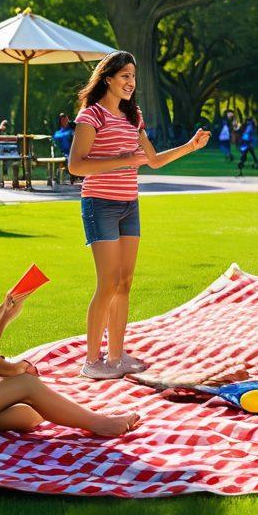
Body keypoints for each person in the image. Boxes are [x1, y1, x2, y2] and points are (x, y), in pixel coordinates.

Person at [0, 226, 139, 439]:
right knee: (28, 386)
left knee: (31, 414)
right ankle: (100, 424)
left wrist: (5, 313)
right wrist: (22, 369)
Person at [68, 50, 210, 380]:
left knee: (124, 282)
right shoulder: (92, 116)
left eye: (133, 77)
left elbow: (152, 160)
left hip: (129, 204)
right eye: (125, 76)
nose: (131, 83)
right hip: (99, 203)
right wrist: (123, 161)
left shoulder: (134, 116)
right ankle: (92, 361)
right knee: (107, 283)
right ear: (107, 79)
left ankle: (116, 356)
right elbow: (76, 166)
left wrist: (190, 146)